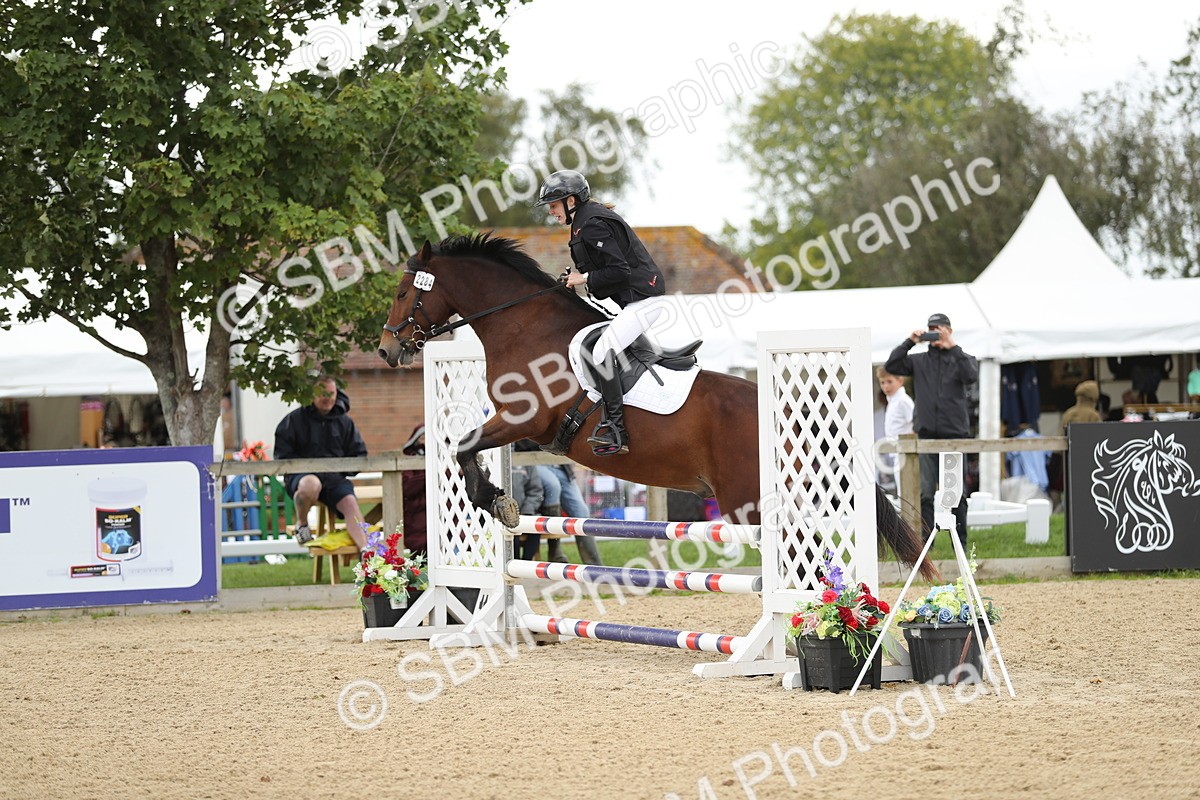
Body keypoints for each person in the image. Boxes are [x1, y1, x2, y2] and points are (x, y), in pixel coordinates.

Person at [534, 169, 668, 457]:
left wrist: (583, 279)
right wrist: (578, 278)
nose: (551, 213)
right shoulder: (584, 222)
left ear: (571, 201)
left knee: (602, 350)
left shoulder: (591, 223)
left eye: (554, 206)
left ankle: (616, 429)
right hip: (636, 301)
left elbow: (618, 270)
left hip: (645, 301)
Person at [885, 313, 978, 546]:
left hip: (954, 435)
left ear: (949, 330)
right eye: (931, 329)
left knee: (956, 493)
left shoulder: (962, 358)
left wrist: (952, 346)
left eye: (939, 329)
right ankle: (927, 542)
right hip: (926, 435)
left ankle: (961, 543)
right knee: (925, 492)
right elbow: (892, 365)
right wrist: (910, 341)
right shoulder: (918, 361)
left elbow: (971, 376)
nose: (935, 333)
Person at [274, 376, 370, 549]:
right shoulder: (293, 421)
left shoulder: (345, 422)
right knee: (311, 483)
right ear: (312, 395)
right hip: (302, 479)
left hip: (334, 480)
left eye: (332, 393)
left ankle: (367, 552)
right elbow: (282, 457)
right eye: (323, 393)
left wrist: (345, 469)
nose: (329, 398)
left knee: (349, 501)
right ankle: (302, 525)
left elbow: (359, 454)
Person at [876, 365, 914, 493]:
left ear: (900, 381)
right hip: (897, 451)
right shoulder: (892, 401)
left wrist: (908, 443)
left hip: (906, 451)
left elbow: (916, 424)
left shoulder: (903, 401)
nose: (886, 386)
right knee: (901, 489)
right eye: (882, 382)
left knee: (906, 489)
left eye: (889, 381)